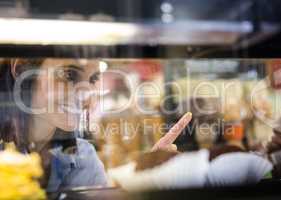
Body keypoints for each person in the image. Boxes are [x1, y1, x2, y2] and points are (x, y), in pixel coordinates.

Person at [0, 58, 192, 192]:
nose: (86, 93)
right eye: (69, 75)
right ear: (21, 70)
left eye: (92, 80)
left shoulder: (84, 157)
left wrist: (147, 178)